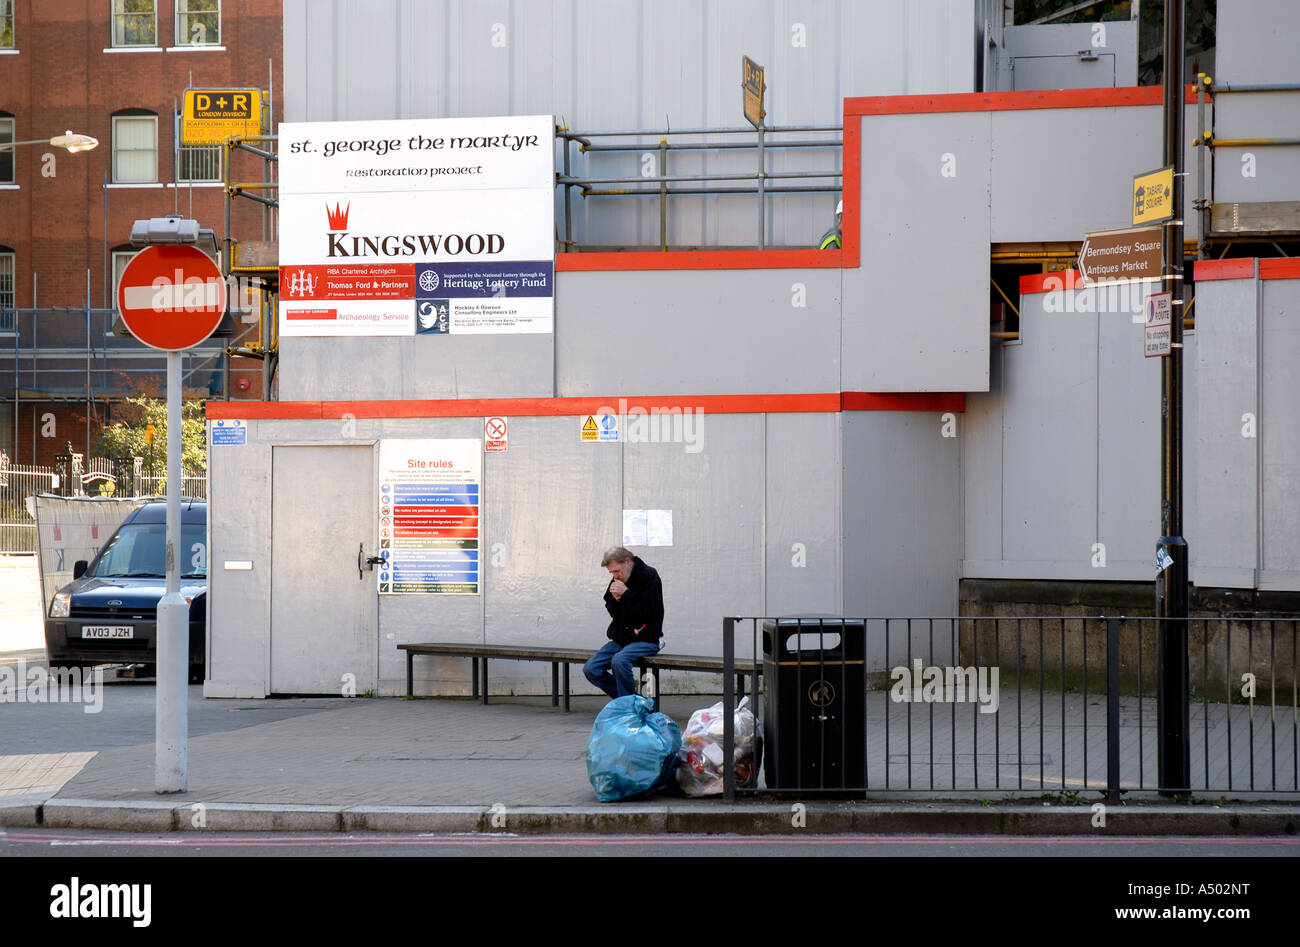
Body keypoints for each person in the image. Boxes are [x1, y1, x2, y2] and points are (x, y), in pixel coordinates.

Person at [583, 546, 664, 700]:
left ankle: (628, 706)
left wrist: (626, 594)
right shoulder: (618, 578)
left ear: (627, 562)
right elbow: (613, 610)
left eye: (617, 571)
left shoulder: (649, 576)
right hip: (622, 638)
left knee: (619, 661)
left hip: (646, 638)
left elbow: (649, 612)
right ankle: (629, 701)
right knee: (591, 668)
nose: (615, 576)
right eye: (612, 573)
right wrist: (617, 601)